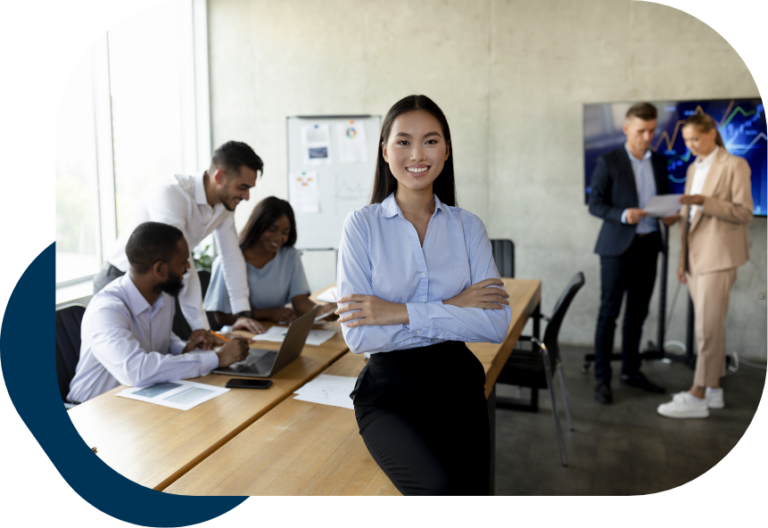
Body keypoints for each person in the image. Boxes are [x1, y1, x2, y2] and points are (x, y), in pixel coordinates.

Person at [335, 95, 512, 496]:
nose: (417, 153)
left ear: (446, 151)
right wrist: (453, 308)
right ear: (384, 151)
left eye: (431, 141)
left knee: (472, 491)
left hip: (458, 386)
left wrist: (396, 312)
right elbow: (360, 336)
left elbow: (495, 323)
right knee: (436, 489)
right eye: (403, 141)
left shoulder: (468, 227)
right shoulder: (361, 226)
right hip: (388, 394)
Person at [92, 141, 266, 336]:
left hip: (157, 280)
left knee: (163, 352)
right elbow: (181, 262)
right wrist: (204, 330)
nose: (247, 196)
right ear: (219, 176)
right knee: (128, 359)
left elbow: (232, 257)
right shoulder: (172, 194)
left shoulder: (223, 208)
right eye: (242, 187)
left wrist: (242, 313)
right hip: (121, 278)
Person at [68, 222, 250, 404]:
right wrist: (218, 358)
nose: (188, 266)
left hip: (138, 401)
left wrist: (185, 347)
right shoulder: (106, 310)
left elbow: (160, 340)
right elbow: (137, 371)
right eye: (183, 261)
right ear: (160, 269)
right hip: (92, 410)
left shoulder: (163, 296)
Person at [657, 113, 753, 419]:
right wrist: (682, 259)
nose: (690, 145)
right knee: (711, 327)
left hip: (719, 257)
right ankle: (714, 392)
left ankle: (698, 393)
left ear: (713, 132)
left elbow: (744, 213)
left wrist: (703, 200)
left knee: (706, 329)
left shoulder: (735, 165)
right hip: (696, 258)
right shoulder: (693, 167)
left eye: (695, 138)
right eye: (686, 140)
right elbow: (690, 218)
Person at [588, 102, 680, 404]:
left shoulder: (659, 161)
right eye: (641, 131)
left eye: (652, 130)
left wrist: (670, 215)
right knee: (609, 315)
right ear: (627, 129)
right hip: (617, 249)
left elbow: (666, 200)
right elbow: (596, 204)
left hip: (649, 245)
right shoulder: (609, 161)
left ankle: (631, 370)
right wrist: (624, 214)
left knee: (637, 316)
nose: (648, 136)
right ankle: (602, 377)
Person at [204, 196, 336, 326]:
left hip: (277, 332)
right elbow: (221, 317)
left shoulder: (289, 255)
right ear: (257, 226)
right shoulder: (227, 261)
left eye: (285, 232)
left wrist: (322, 311)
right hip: (241, 335)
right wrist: (267, 313)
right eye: (272, 230)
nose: (278, 238)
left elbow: (300, 301)